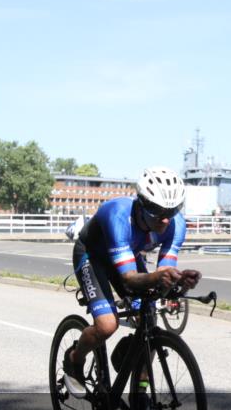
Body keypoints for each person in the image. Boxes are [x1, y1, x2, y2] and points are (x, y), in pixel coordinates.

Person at [64, 166, 200, 396]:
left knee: (148, 322)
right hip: (93, 257)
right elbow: (129, 279)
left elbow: (164, 272)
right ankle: (74, 359)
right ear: (142, 203)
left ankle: (140, 389)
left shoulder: (176, 225)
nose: (166, 219)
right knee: (107, 325)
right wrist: (158, 277)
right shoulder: (117, 214)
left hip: (128, 257)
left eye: (173, 209)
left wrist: (176, 282)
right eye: (158, 211)